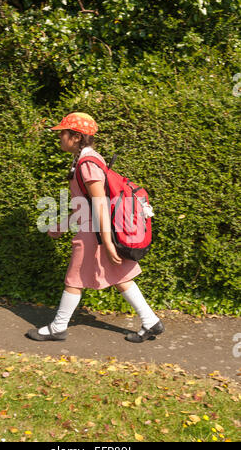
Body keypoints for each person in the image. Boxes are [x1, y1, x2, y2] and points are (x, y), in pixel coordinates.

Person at [26, 112, 164, 343]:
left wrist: (108, 243)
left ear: (77, 137)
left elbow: (100, 204)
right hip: (96, 229)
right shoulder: (86, 159)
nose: (60, 137)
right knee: (120, 276)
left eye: (63, 133)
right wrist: (64, 223)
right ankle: (151, 321)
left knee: (74, 278)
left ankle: (58, 328)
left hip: (94, 233)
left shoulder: (87, 163)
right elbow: (87, 204)